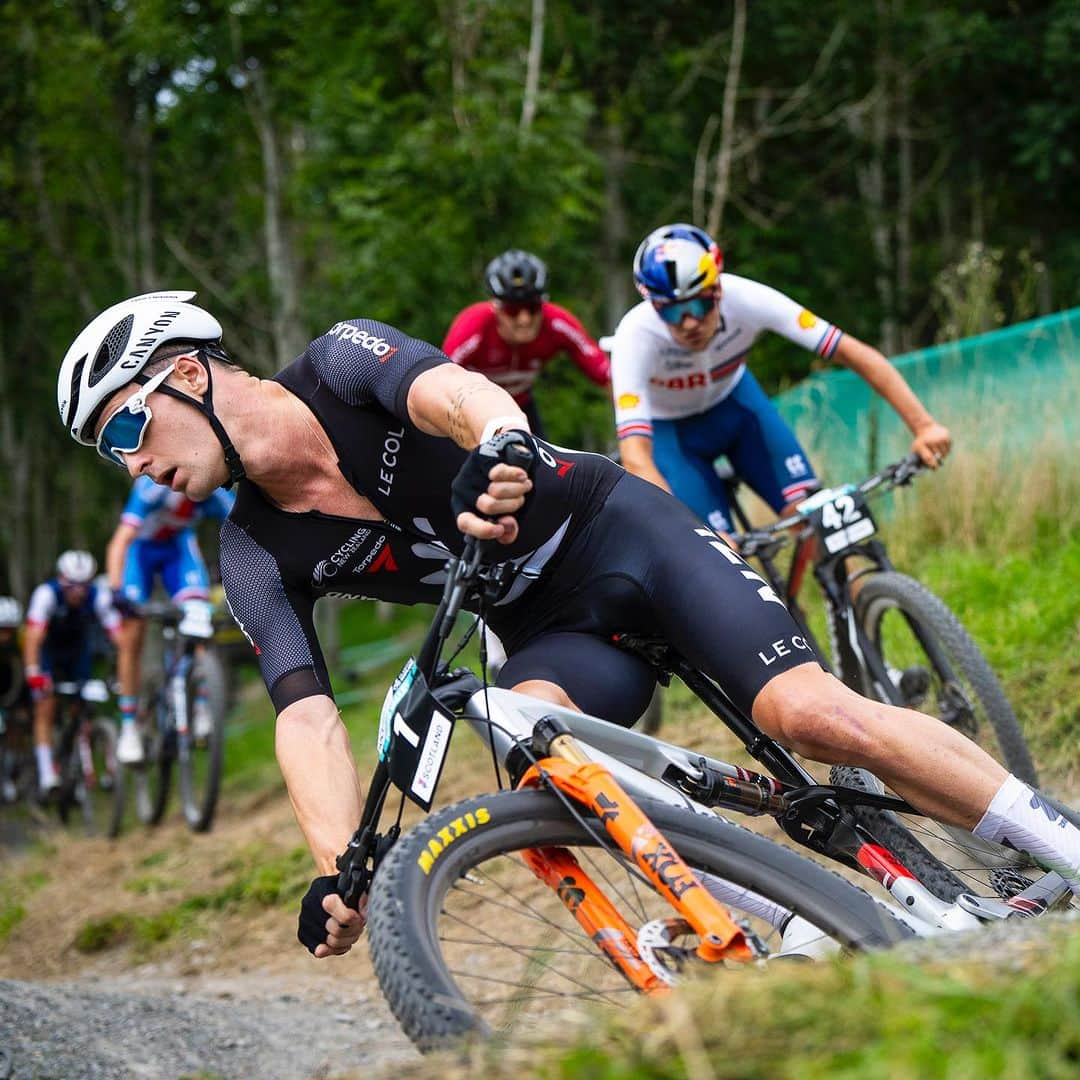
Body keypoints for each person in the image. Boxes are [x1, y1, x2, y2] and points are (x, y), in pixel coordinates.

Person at [57, 291, 1080, 960]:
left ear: (186, 375)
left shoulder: (336, 364)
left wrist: (500, 443)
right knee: (524, 736)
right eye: (114, 453)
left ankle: (1059, 842)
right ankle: (779, 915)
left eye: (127, 428)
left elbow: (453, 390)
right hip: (550, 626)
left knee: (815, 718)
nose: (134, 464)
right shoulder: (249, 552)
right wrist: (337, 865)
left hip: (623, 537)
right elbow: (304, 716)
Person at [610, 223, 952, 536]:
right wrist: (686, 534)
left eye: (699, 305)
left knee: (817, 522)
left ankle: (858, 596)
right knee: (714, 558)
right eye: (671, 311)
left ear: (717, 290)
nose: (688, 323)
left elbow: (851, 352)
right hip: (674, 437)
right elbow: (636, 456)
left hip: (737, 408)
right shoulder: (635, 336)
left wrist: (924, 426)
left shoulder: (747, 298)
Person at [105, 477, 234, 763]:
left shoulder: (213, 487)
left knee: (198, 618)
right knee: (132, 631)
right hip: (141, 553)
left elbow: (243, 526)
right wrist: (116, 591)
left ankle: (200, 703)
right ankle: (129, 726)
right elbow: (120, 542)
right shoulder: (152, 488)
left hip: (179, 548)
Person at [442, 249, 610, 438]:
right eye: (513, 310)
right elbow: (441, 383)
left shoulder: (557, 322)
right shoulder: (473, 326)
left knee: (541, 465)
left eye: (532, 307)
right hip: (472, 409)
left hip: (520, 406)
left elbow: (606, 375)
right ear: (496, 307)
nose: (524, 319)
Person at [22, 551, 120, 795]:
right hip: (49, 653)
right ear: (61, 580)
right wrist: (34, 673)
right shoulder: (46, 595)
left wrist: (120, 670)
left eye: (84, 585)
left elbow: (117, 636)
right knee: (46, 705)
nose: (78, 592)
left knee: (83, 706)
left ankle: (83, 752)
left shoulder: (98, 596)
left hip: (78, 653)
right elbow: (33, 638)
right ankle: (47, 773)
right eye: (72, 586)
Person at [0, 596, 30, 802]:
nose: (5, 635)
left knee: (16, 726)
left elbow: (27, 671)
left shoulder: (22, 640)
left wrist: (24, 704)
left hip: (12, 686)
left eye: (9, 630)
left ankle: (9, 773)